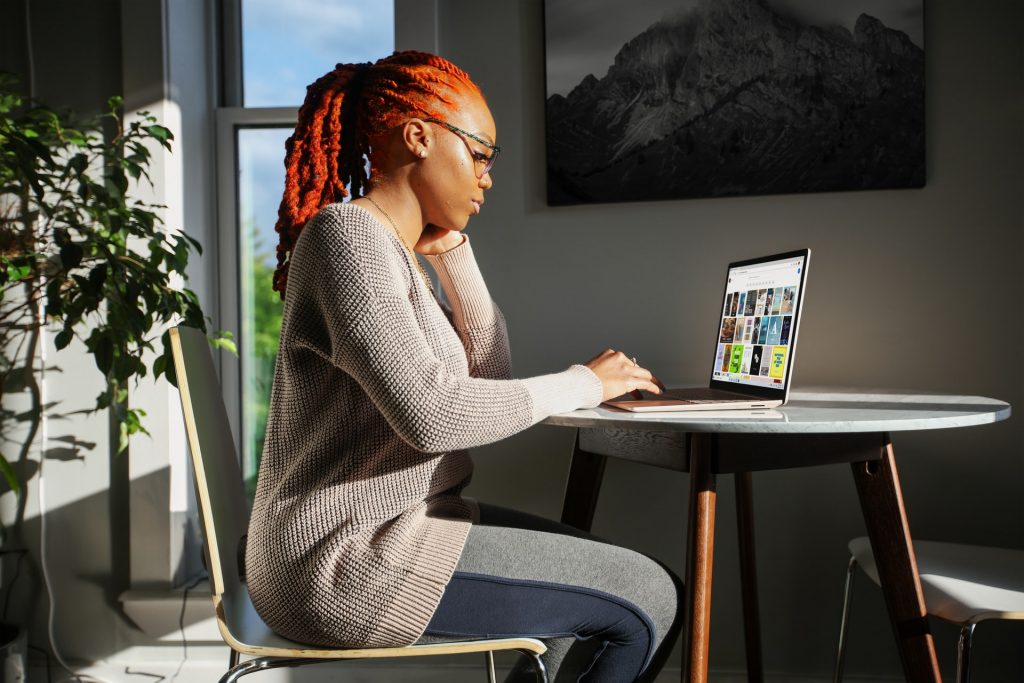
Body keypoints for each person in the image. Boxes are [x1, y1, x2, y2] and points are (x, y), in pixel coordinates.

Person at [245, 51, 682, 682]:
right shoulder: (346, 238)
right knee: (648, 601)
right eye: (480, 155)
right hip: (342, 558)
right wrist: (584, 383)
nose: (488, 178)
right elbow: (434, 416)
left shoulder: (393, 253)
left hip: (400, 527)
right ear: (418, 137)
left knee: (634, 577)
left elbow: (486, 383)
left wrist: (453, 256)